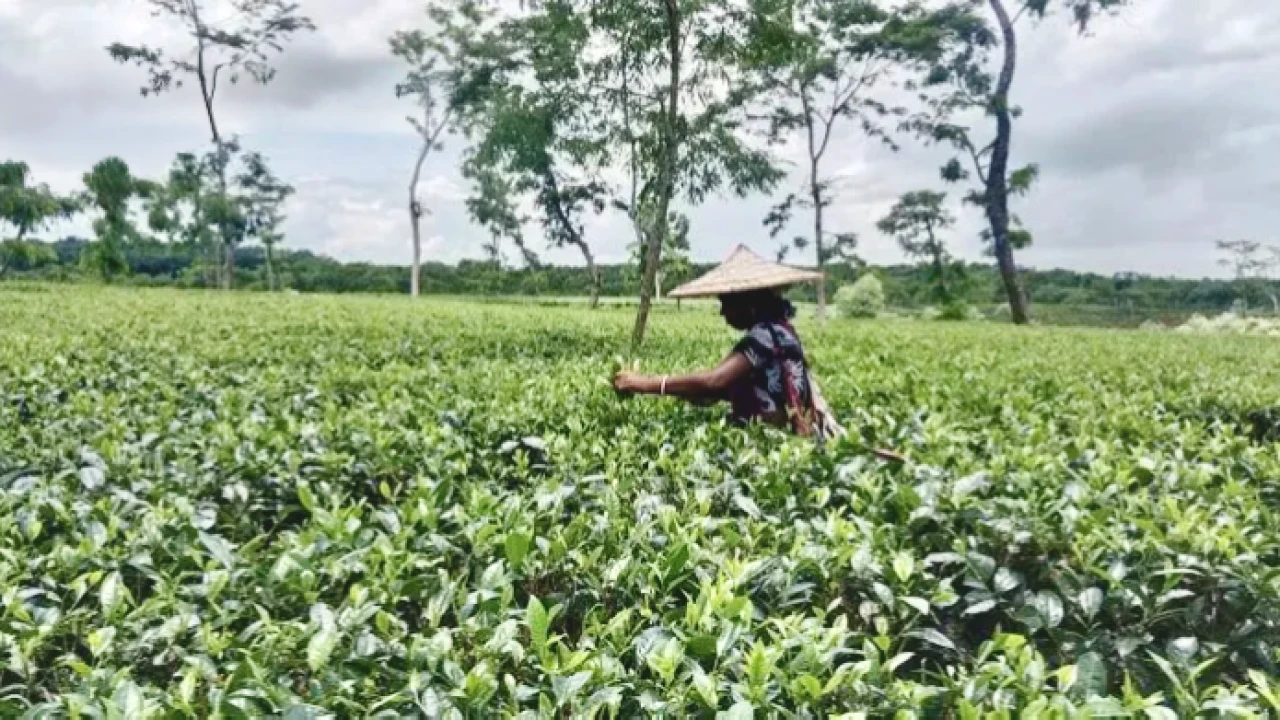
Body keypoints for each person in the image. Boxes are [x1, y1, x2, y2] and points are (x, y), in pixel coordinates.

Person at [613, 288, 831, 437]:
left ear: (748, 304)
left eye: (727, 304)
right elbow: (740, 386)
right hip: (774, 433)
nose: (723, 312)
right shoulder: (777, 330)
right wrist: (692, 392)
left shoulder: (766, 335)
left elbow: (715, 380)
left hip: (774, 437)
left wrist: (641, 384)